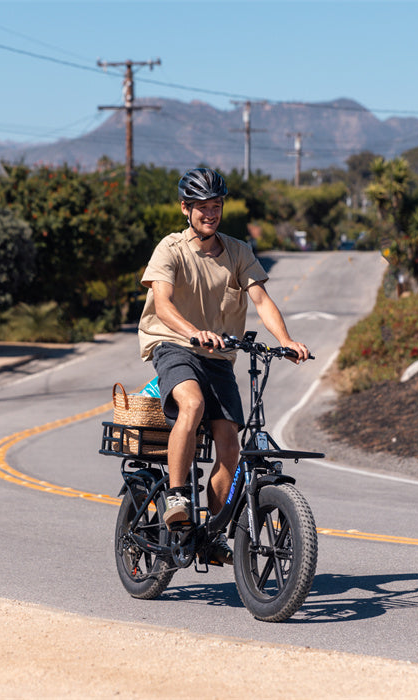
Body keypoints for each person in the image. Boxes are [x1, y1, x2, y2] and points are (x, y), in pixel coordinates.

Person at [137, 168, 310, 566]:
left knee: (230, 443)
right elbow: (162, 304)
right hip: (175, 345)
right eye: (201, 208)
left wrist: (286, 342)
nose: (210, 214)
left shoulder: (237, 251)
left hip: (218, 356)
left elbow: (262, 300)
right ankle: (178, 496)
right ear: (186, 209)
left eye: (215, 206)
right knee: (192, 405)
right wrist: (194, 332)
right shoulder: (171, 249)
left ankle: (209, 531)